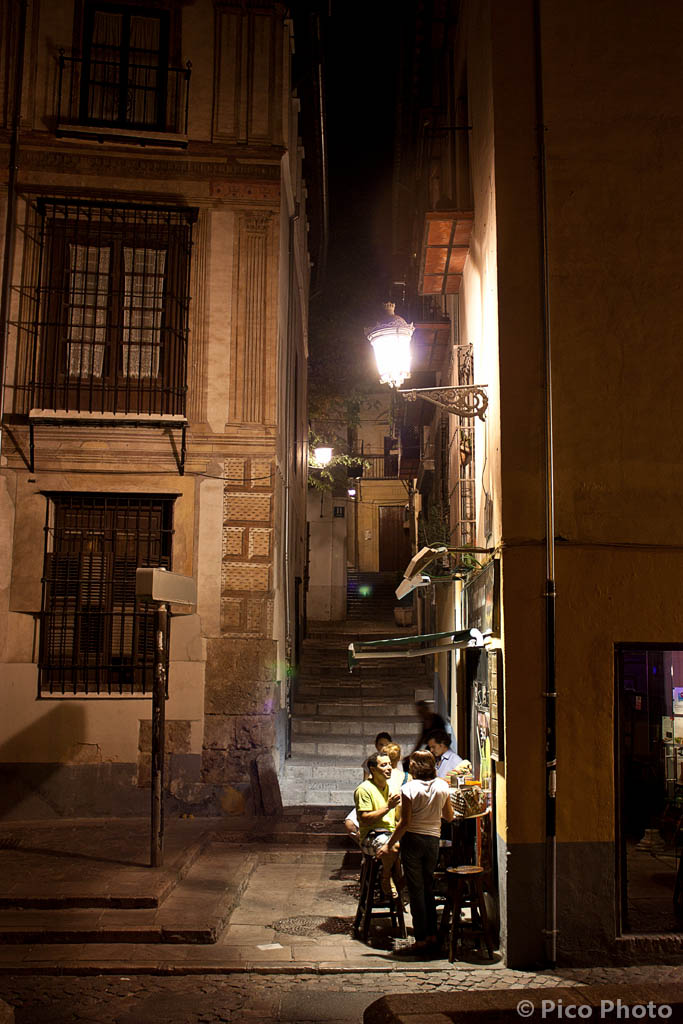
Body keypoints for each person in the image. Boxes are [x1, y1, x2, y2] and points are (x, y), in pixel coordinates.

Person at [377, 750, 453, 954]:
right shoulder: (443, 786)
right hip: (433, 841)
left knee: (416, 890)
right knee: (428, 886)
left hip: (413, 840)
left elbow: (405, 822)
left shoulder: (409, 788)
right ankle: (432, 935)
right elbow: (449, 816)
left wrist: (389, 844)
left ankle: (421, 939)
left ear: (414, 768)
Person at [354, 751, 401, 895]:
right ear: (373, 770)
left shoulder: (390, 788)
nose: (389, 768)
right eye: (384, 765)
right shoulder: (364, 789)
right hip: (371, 835)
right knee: (393, 847)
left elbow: (397, 816)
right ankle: (385, 876)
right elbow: (365, 818)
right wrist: (388, 807)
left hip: (390, 832)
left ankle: (403, 886)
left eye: (389, 764)